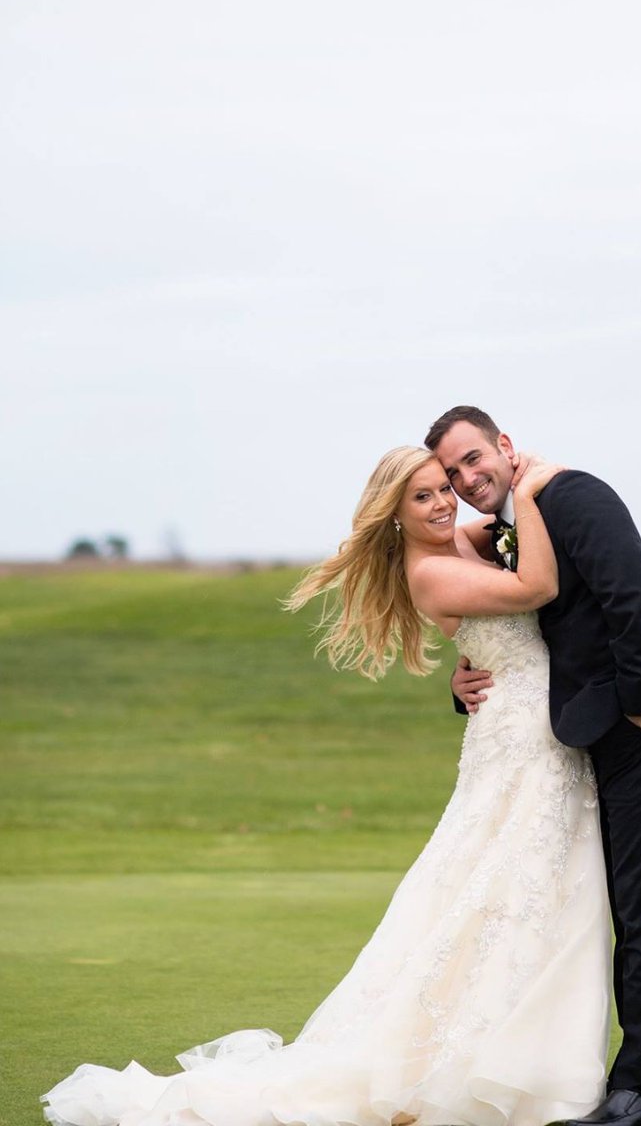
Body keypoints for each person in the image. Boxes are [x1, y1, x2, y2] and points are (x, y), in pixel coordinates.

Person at [41, 446, 611, 1126]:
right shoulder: (430, 571)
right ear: (394, 514)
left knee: (517, 893)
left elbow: (503, 531)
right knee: (500, 892)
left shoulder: (458, 539)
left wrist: (514, 497)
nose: (442, 503)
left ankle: (523, 1054)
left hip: (526, 733)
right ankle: (487, 1067)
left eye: (444, 488)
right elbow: (536, 587)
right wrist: (535, 484)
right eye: (422, 496)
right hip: (519, 743)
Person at [427, 407, 641, 1126]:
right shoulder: (515, 520)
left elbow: (635, 600)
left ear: (505, 445)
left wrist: (640, 711)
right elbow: (515, 634)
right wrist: (464, 683)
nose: (466, 478)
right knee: (628, 906)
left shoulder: (575, 495)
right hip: (588, 736)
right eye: (453, 472)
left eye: (472, 458)